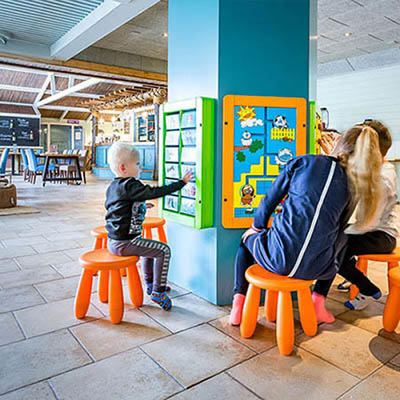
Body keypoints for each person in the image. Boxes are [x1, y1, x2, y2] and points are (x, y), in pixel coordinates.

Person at [229, 124, 383, 326]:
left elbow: (269, 200)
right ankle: (318, 303)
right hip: (318, 269)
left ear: (339, 142)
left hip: (278, 258)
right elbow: (339, 230)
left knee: (245, 241)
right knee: (340, 240)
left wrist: (256, 227)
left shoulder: (305, 162)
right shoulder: (355, 185)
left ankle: (238, 302)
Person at [313, 121, 397, 322]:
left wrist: (341, 230)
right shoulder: (377, 167)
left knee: (336, 248)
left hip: (382, 236)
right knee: (337, 245)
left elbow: (368, 222)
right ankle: (342, 282)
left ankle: (367, 290)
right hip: (371, 228)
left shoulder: (382, 179)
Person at [104, 142, 192, 311]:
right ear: (123, 168)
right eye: (137, 164)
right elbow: (155, 192)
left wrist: (139, 205)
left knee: (148, 249)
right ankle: (158, 291)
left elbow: (117, 207)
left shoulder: (114, 186)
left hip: (114, 242)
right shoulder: (131, 184)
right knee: (163, 250)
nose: (141, 167)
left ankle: (151, 284)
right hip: (126, 243)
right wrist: (181, 183)